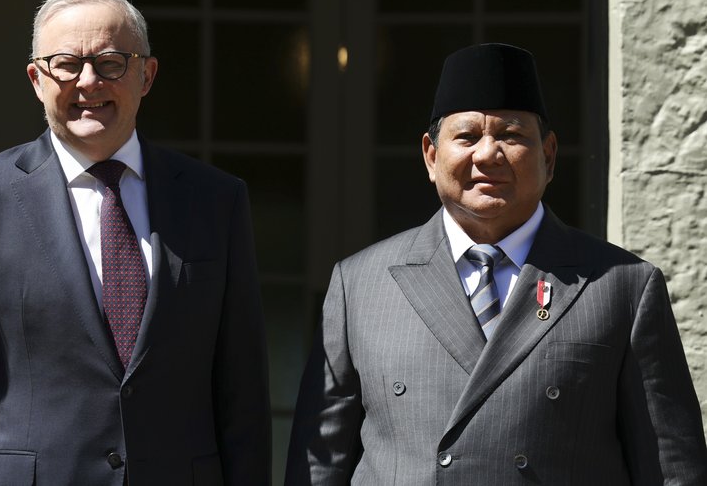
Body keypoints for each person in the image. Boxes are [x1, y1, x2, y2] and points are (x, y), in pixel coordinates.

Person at [285, 43, 707, 485]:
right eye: (466, 137)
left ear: (549, 155)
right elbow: (319, 467)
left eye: (511, 135)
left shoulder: (621, 287)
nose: (487, 154)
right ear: (431, 155)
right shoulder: (361, 285)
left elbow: (671, 471)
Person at [0, 0, 270, 485]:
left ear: (147, 75)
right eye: (66, 63)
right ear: (36, 79)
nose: (87, 81)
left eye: (111, 62)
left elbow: (243, 393)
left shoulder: (216, 201)